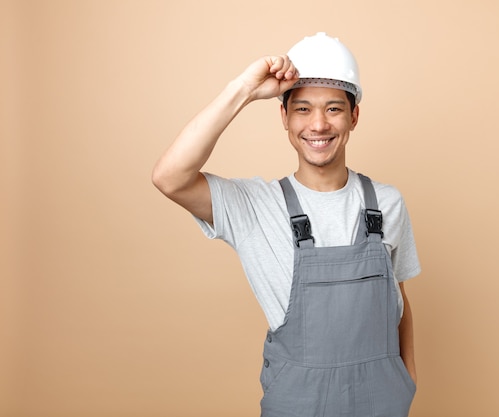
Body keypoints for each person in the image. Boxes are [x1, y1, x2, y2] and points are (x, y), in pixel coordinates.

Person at [153, 32, 421, 417]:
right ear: (283, 116)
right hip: (298, 405)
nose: (318, 125)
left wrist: (407, 381)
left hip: (383, 404)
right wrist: (243, 89)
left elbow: (398, 301)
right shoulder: (254, 207)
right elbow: (170, 176)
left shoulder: (387, 203)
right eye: (302, 109)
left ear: (354, 116)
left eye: (333, 109)